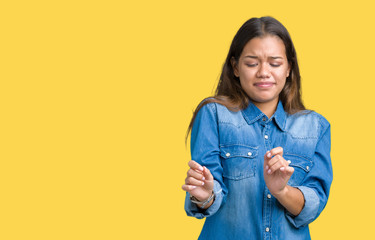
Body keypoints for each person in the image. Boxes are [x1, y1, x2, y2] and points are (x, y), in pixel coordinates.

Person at [181, 16, 333, 240]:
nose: (263, 72)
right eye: (252, 63)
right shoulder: (213, 114)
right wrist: (205, 196)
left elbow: (313, 205)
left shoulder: (315, 126)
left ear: (289, 68)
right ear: (235, 67)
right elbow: (209, 192)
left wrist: (282, 190)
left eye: (275, 63)